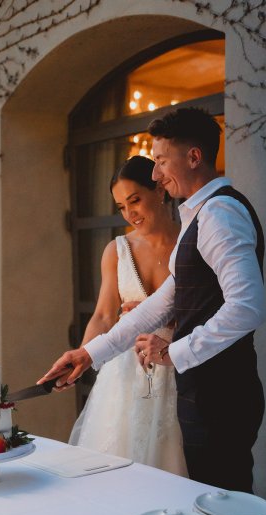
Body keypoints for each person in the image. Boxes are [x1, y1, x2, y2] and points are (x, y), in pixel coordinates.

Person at [38, 107, 265, 493]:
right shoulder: (201, 216)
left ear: (193, 157)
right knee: (199, 503)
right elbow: (163, 303)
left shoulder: (221, 214)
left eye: (161, 161)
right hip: (202, 394)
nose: (156, 173)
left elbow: (247, 308)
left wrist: (172, 352)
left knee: (224, 508)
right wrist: (88, 354)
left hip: (221, 397)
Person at [68, 156, 187, 476]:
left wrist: (170, 324)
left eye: (134, 200)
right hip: (124, 375)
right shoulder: (116, 250)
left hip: (178, 368)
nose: (129, 213)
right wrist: (80, 357)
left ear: (160, 191)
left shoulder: (190, 243)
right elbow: (105, 315)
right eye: (121, 206)